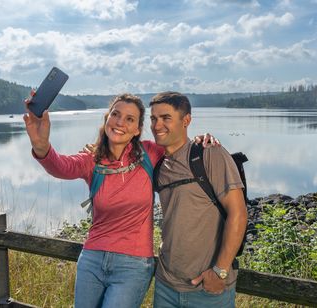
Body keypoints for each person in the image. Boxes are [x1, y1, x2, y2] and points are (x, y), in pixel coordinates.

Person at [23, 93, 216, 308]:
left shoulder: (150, 153)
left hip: (133, 265)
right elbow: (61, 166)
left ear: (137, 130)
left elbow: (179, 144)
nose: (120, 122)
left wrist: (202, 139)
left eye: (130, 119)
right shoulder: (92, 159)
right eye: (115, 114)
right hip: (92, 260)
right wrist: (41, 145)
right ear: (107, 119)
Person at [149, 92, 248, 308]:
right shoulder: (158, 165)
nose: (157, 125)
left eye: (166, 118)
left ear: (186, 121)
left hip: (207, 291)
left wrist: (219, 271)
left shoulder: (209, 154)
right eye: (153, 118)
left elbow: (238, 214)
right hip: (166, 286)